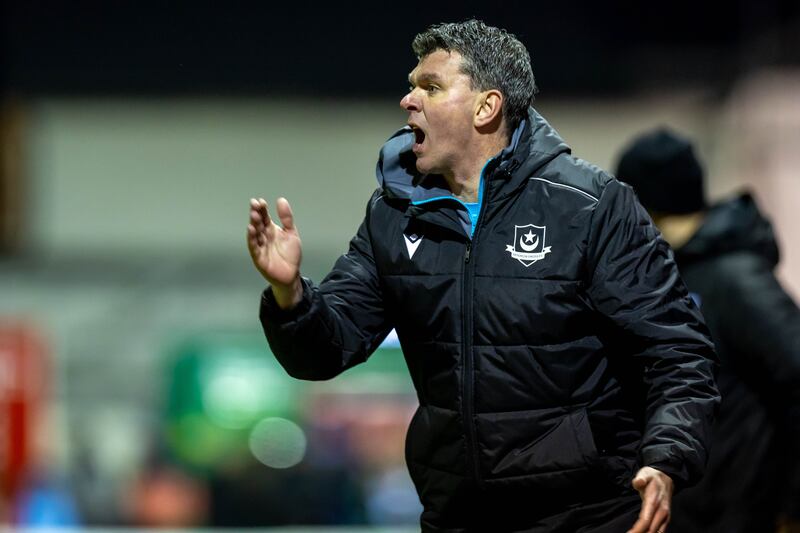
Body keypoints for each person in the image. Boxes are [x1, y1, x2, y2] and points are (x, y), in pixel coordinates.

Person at [247, 20, 719, 533]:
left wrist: (667, 459)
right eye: (411, 86)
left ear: (486, 107)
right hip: (458, 517)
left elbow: (677, 351)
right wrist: (290, 293)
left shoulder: (591, 207)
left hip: (588, 515)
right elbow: (325, 350)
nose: (408, 101)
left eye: (430, 86)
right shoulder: (393, 215)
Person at [615, 127, 800, 533]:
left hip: (743, 513)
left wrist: (792, 506)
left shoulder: (735, 279)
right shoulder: (672, 271)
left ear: (644, 204)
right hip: (700, 510)